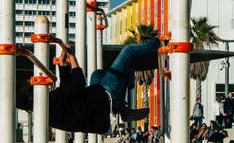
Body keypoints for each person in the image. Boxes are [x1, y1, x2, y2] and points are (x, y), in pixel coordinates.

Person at [17, 39, 162, 134]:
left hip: (99, 110)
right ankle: (163, 44)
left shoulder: (46, 111)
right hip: (106, 99)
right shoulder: (50, 102)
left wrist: (62, 65)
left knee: (97, 74)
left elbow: (67, 92)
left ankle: (122, 109)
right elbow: (78, 84)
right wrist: (72, 58)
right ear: (30, 96)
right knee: (129, 52)